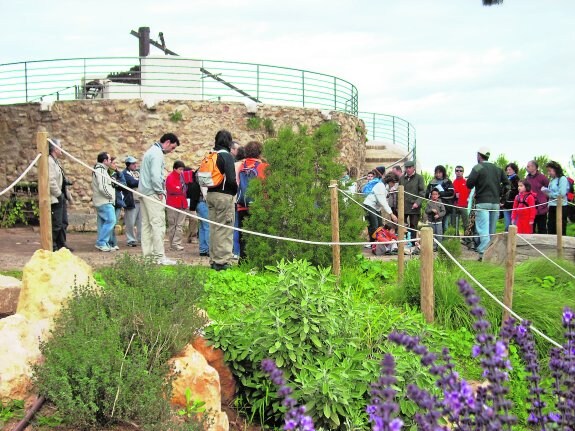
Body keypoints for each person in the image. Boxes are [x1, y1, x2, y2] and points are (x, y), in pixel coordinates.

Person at [138, 133, 180, 265]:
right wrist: (159, 191)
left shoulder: (149, 151)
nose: (171, 151)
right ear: (167, 142)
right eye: (172, 147)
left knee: (146, 226)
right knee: (158, 225)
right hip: (152, 193)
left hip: (144, 192)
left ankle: (148, 256)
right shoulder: (157, 153)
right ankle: (159, 257)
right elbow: (155, 175)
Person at [466, 147, 509, 261]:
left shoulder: (478, 167)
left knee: (483, 230)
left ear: (479, 156)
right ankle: (491, 253)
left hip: (482, 202)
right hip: (495, 203)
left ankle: (483, 254)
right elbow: (507, 184)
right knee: (492, 230)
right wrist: (501, 196)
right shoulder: (498, 168)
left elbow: (469, 184)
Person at [206, 130, 238, 271]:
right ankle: (222, 261)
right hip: (224, 195)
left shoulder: (212, 155)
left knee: (214, 228)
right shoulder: (227, 157)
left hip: (211, 194)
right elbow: (231, 179)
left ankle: (214, 259)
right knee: (224, 228)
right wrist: (235, 191)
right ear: (229, 142)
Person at [235, 141, 268, 261]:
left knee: (243, 235)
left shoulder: (241, 166)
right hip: (258, 206)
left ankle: (243, 261)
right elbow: (267, 187)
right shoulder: (263, 167)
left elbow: (238, 183)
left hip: (242, 205)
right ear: (259, 152)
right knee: (258, 235)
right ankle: (257, 261)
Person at [48, 139, 73, 251]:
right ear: (54, 148)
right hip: (55, 197)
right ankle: (52, 245)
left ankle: (61, 244)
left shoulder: (56, 162)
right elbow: (51, 181)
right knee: (56, 223)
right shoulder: (49, 161)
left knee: (63, 222)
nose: (61, 149)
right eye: (60, 147)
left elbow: (60, 179)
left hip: (61, 196)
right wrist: (58, 194)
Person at [363, 168, 399, 243]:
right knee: (374, 226)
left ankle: (379, 242)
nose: (394, 185)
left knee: (380, 225)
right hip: (369, 205)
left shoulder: (386, 187)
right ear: (390, 181)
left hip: (376, 207)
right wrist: (391, 214)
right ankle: (373, 243)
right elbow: (382, 201)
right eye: (393, 182)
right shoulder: (380, 186)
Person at [92, 152, 116, 252]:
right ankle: (101, 242)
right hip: (104, 201)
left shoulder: (102, 170)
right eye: (110, 159)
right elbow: (103, 187)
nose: (111, 161)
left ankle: (104, 243)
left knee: (104, 222)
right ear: (105, 161)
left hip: (104, 201)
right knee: (111, 220)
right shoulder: (100, 170)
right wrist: (110, 196)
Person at [399, 160, 425, 245]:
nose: (408, 169)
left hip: (414, 206)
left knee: (413, 225)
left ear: (413, 168)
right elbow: (399, 192)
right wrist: (398, 205)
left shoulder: (419, 178)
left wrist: (417, 202)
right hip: (403, 206)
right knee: (402, 225)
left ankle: (413, 243)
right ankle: (402, 243)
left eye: (410, 167)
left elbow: (422, 192)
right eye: (406, 167)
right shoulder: (402, 178)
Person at [166, 160, 188, 251]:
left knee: (179, 225)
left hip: (182, 203)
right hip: (173, 204)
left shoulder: (182, 177)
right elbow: (171, 189)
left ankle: (176, 243)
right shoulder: (170, 177)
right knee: (172, 224)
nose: (181, 171)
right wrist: (180, 189)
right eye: (180, 169)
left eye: (182, 169)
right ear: (175, 169)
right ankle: (172, 243)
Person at [425, 165, 454, 233]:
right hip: (433, 206)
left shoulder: (447, 181)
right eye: (436, 173)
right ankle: (433, 239)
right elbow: (427, 193)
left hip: (445, 205)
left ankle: (444, 240)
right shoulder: (432, 182)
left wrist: (441, 193)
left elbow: (451, 192)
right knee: (433, 224)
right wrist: (431, 195)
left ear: (443, 173)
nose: (438, 174)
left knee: (444, 224)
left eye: (440, 173)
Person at [543, 160, 568, 235]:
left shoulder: (562, 179)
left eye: (550, 171)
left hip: (560, 206)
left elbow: (561, 193)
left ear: (555, 169)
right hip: (552, 206)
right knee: (551, 227)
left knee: (560, 227)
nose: (549, 173)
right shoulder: (552, 180)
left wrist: (550, 194)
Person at [108, 156, 126, 251]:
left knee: (114, 222)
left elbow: (124, 185)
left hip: (118, 201)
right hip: (109, 201)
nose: (116, 165)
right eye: (114, 163)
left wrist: (116, 182)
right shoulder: (105, 173)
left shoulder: (119, 174)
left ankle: (113, 243)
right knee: (110, 222)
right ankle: (110, 243)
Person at [525, 160, 549, 234]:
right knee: (531, 227)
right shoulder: (527, 178)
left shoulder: (542, 177)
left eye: (528, 166)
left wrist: (544, 200)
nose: (527, 168)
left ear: (534, 167)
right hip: (531, 206)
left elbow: (549, 188)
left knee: (542, 228)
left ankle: (544, 244)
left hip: (541, 207)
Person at [122, 156, 141, 247]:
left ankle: (140, 238)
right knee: (130, 221)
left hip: (140, 200)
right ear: (128, 165)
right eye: (133, 164)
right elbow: (132, 182)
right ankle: (131, 239)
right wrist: (142, 180)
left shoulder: (137, 172)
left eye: (135, 163)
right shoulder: (125, 173)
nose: (135, 165)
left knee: (141, 221)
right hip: (131, 200)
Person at [452, 165, 471, 246]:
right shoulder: (453, 182)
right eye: (457, 170)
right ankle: (455, 239)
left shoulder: (466, 182)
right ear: (455, 172)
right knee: (454, 224)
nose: (459, 172)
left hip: (464, 206)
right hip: (455, 205)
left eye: (460, 170)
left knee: (466, 224)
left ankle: (467, 239)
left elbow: (470, 194)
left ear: (463, 172)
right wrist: (454, 195)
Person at [502, 163, 520, 232]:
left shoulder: (517, 179)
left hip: (514, 205)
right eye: (507, 170)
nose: (508, 171)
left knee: (514, 224)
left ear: (514, 170)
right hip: (506, 205)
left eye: (510, 169)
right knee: (507, 225)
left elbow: (516, 192)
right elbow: (503, 191)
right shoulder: (505, 179)